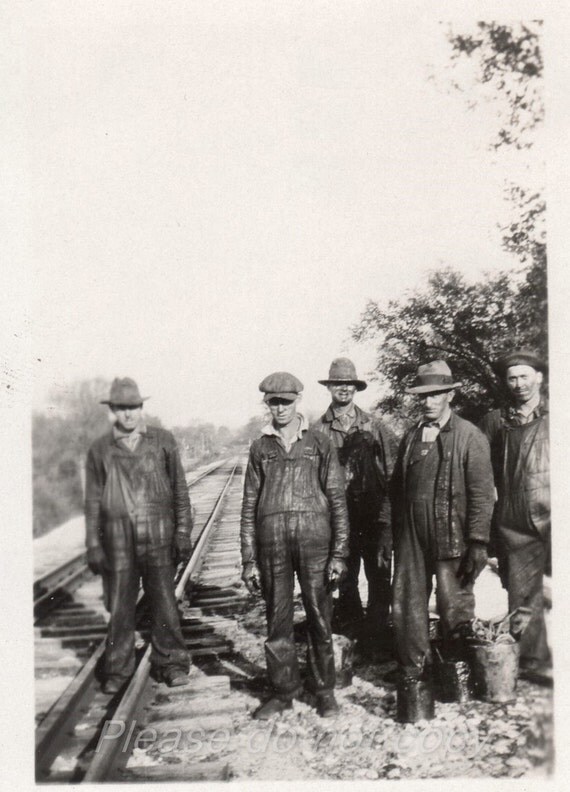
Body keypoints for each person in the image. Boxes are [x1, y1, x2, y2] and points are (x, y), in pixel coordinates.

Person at [240, 372, 349, 719]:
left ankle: (324, 691)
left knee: (319, 617)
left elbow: (336, 499)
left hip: (315, 543)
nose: (280, 408)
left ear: (298, 400)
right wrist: (248, 559)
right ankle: (284, 691)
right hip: (272, 546)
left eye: (286, 401)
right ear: (267, 404)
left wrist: (339, 552)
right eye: (274, 402)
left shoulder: (319, 443)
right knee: (278, 621)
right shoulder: (260, 448)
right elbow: (248, 506)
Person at [391, 361, 494, 701]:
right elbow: (396, 488)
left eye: (435, 394)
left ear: (450, 394)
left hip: (453, 537)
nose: (428, 401)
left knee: (455, 607)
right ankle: (414, 673)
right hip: (412, 539)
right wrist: (385, 532)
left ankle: (459, 678)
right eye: (423, 395)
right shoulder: (411, 435)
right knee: (407, 606)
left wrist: (478, 542)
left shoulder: (470, 436)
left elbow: (481, 494)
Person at [85, 377, 193, 693]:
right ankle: (118, 671)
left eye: (133, 407)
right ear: (113, 411)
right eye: (122, 408)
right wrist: (93, 543)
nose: (128, 414)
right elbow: (93, 501)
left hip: (159, 537)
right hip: (118, 542)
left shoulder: (163, 441)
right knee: (120, 608)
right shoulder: (100, 449)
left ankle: (172, 663)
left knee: (163, 604)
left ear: (141, 408)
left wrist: (183, 531)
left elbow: (180, 490)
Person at [315, 357, 396, 647]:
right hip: (339, 520)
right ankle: (349, 639)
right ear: (330, 387)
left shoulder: (375, 427)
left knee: (379, 577)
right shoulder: (317, 432)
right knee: (344, 579)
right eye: (338, 383)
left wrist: (387, 523)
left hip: (373, 519)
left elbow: (392, 476)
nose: (344, 389)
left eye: (348, 383)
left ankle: (376, 638)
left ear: (355, 387)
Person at [479, 349, 550, 672]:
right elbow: (481, 472)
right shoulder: (496, 421)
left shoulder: (557, 413)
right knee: (522, 595)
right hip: (516, 521)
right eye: (512, 378)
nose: (519, 384)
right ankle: (532, 661)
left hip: (555, 510)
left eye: (524, 376)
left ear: (539, 377)